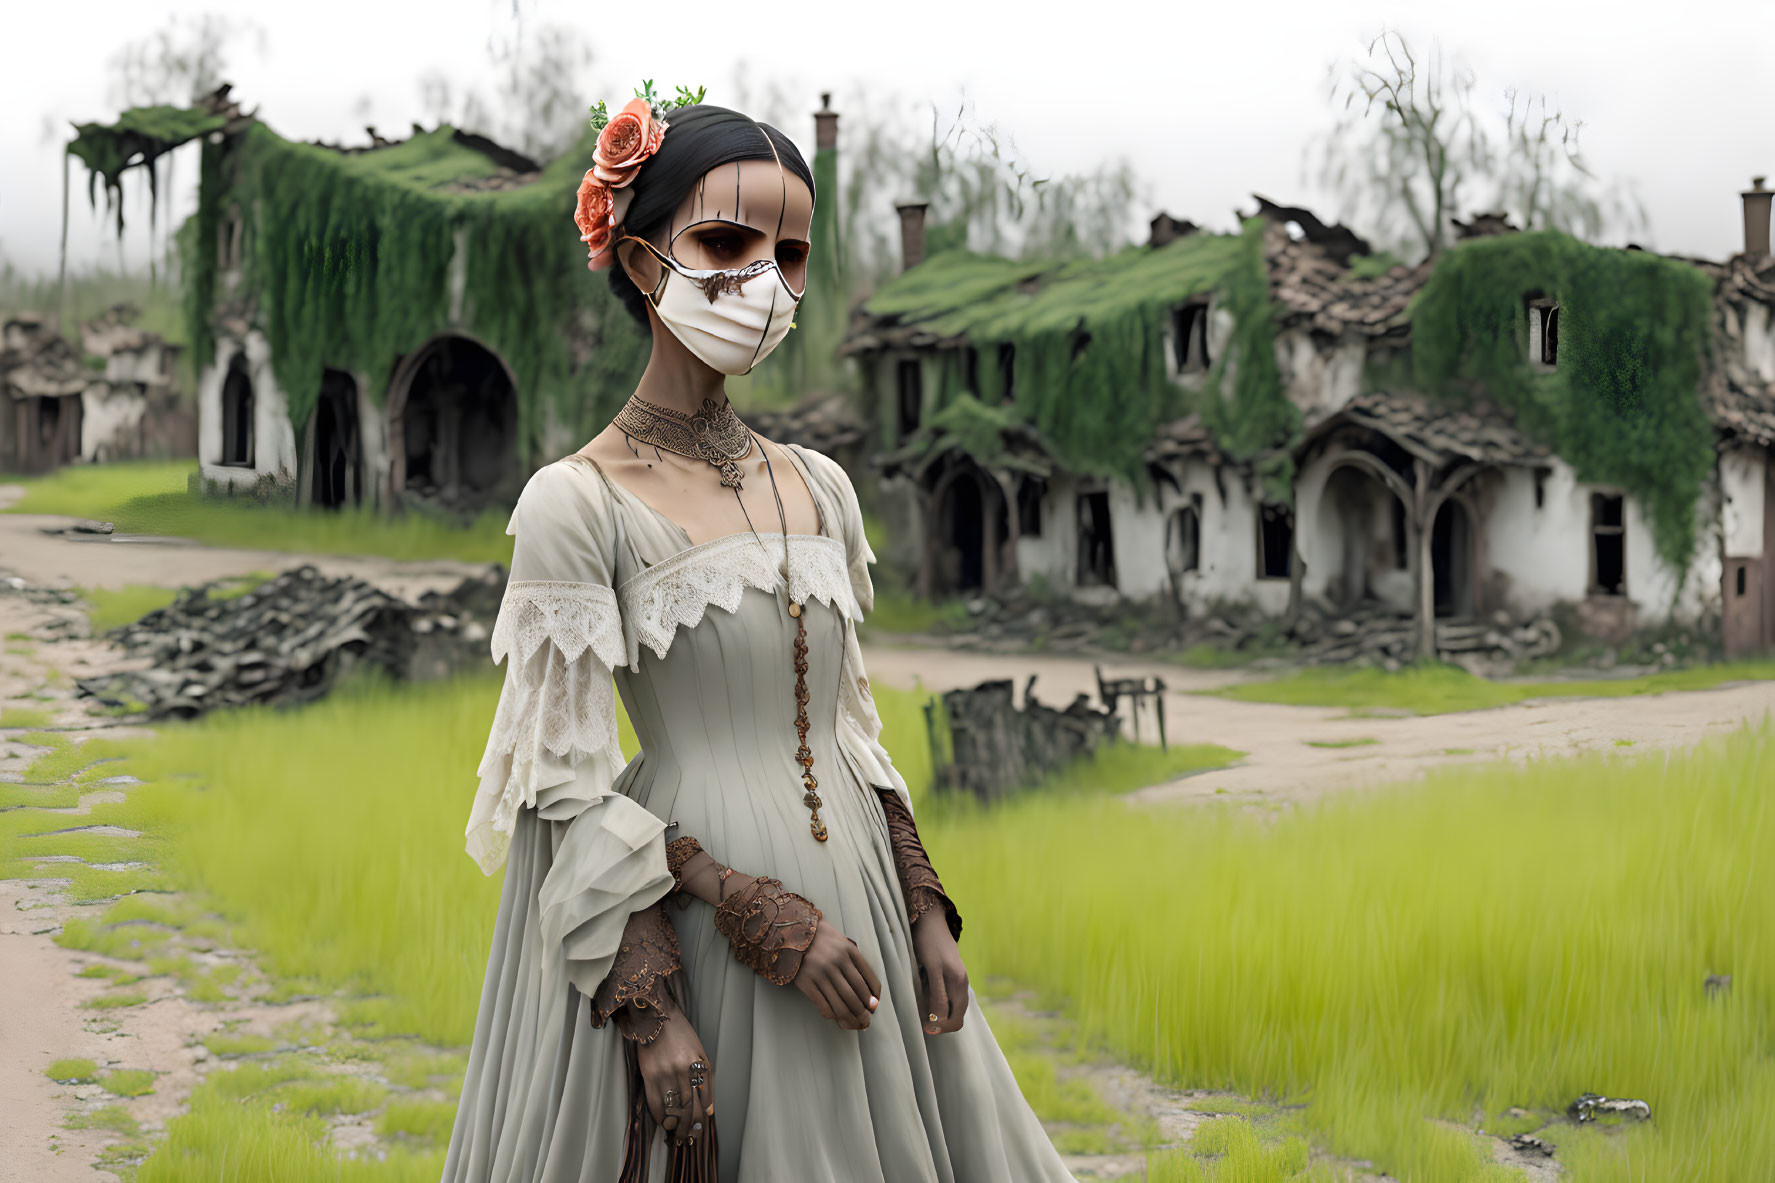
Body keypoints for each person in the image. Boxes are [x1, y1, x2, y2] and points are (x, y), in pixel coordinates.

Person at [443, 94, 1079, 1183]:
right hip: (702, 936)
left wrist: (924, 909)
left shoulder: (819, 485)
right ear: (644, 263)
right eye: (726, 242)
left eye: (789, 253)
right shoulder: (576, 501)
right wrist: (655, 1006)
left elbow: (851, 728)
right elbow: (564, 788)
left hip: (864, 921)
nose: (764, 282)